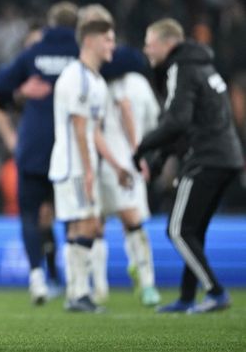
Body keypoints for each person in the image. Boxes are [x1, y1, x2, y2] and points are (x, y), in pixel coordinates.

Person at [134, 18, 244, 313]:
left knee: (178, 230)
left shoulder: (180, 68)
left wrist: (144, 146)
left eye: (150, 41)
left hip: (205, 158)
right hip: (227, 157)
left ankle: (216, 292)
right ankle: (186, 297)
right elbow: (189, 125)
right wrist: (159, 161)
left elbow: (176, 122)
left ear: (168, 43)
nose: (146, 48)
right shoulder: (204, 66)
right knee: (193, 230)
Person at [0, 2, 79, 304]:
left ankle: (40, 276)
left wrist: (15, 97)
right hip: (69, 147)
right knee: (68, 215)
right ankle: (77, 282)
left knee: (33, 214)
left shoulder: (31, 58)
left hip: (36, 146)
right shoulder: (79, 54)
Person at [49, 18, 131, 313]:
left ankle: (76, 291)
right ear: (89, 41)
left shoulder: (96, 80)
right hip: (73, 165)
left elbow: (94, 132)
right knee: (88, 224)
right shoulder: (77, 77)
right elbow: (79, 125)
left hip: (83, 165)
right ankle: (79, 293)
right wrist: (86, 171)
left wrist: (117, 165)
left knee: (84, 225)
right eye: (107, 39)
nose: (112, 45)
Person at [97, 45, 162, 307]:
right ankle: (145, 280)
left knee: (96, 226)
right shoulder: (139, 84)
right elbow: (152, 123)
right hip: (125, 160)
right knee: (132, 222)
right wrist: (141, 154)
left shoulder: (98, 83)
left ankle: (98, 286)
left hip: (106, 161)